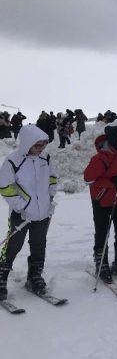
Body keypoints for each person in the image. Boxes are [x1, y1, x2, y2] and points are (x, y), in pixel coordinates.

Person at [0, 126, 58, 298]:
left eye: (43, 145)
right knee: (13, 246)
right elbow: (5, 187)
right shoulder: (13, 161)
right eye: (37, 145)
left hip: (43, 213)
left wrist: (51, 197)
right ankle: (1, 277)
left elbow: (52, 178)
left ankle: (34, 277)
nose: (41, 149)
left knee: (39, 245)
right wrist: (20, 206)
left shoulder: (45, 158)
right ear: (27, 144)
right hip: (21, 214)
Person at [83, 126, 117, 282]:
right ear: (115, 141)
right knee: (102, 232)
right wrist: (112, 182)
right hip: (102, 200)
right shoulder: (100, 159)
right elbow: (88, 179)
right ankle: (102, 263)